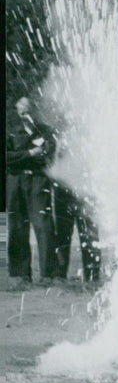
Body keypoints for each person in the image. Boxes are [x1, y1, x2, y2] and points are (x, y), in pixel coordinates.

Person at [6, 96, 57, 287]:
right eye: (22, 108)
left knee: (43, 225)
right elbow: (7, 157)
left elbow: (48, 154)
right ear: (16, 109)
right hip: (15, 180)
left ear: (34, 109)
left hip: (37, 179)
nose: (25, 112)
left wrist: (31, 157)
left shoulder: (44, 130)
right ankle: (20, 274)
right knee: (17, 226)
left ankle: (47, 274)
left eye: (29, 108)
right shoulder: (10, 129)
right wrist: (28, 154)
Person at [51, 183, 102, 286]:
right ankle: (59, 274)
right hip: (63, 187)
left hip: (85, 187)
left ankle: (92, 274)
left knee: (89, 235)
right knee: (62, 233)